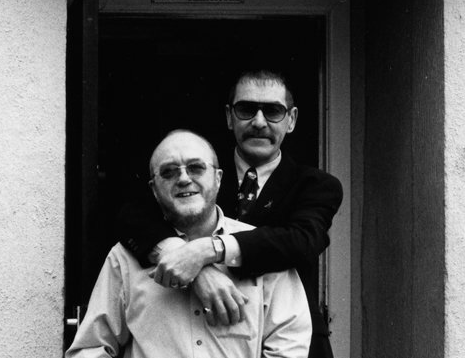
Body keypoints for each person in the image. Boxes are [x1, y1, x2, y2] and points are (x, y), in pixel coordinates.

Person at [115, 70, 344, 358]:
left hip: (290, 344)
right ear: (229, 116)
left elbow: (302, 241)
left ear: (292, 119)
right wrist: (187, 261)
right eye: (246, 109)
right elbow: (130, 215)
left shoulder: (316, 185)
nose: (259, 122)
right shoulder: (201, 173)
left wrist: (207, 251)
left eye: (273, 111)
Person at [67, 129, 311, 358]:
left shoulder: (263, 250)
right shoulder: (124, 260)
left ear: (218, 179)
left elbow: (288, 348)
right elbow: (90, 349)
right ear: (153, 189)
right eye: (169, 172)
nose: (183, 179)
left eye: (196, 168)